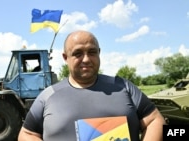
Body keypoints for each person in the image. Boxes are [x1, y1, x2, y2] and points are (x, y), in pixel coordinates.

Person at [18, 30, 166, 141]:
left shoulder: (123, 87)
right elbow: (26, 134)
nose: (86, 59)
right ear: (65, 57)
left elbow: (155, 121)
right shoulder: (48, 96)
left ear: (99, 53)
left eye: (92, 52)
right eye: (78, 53)